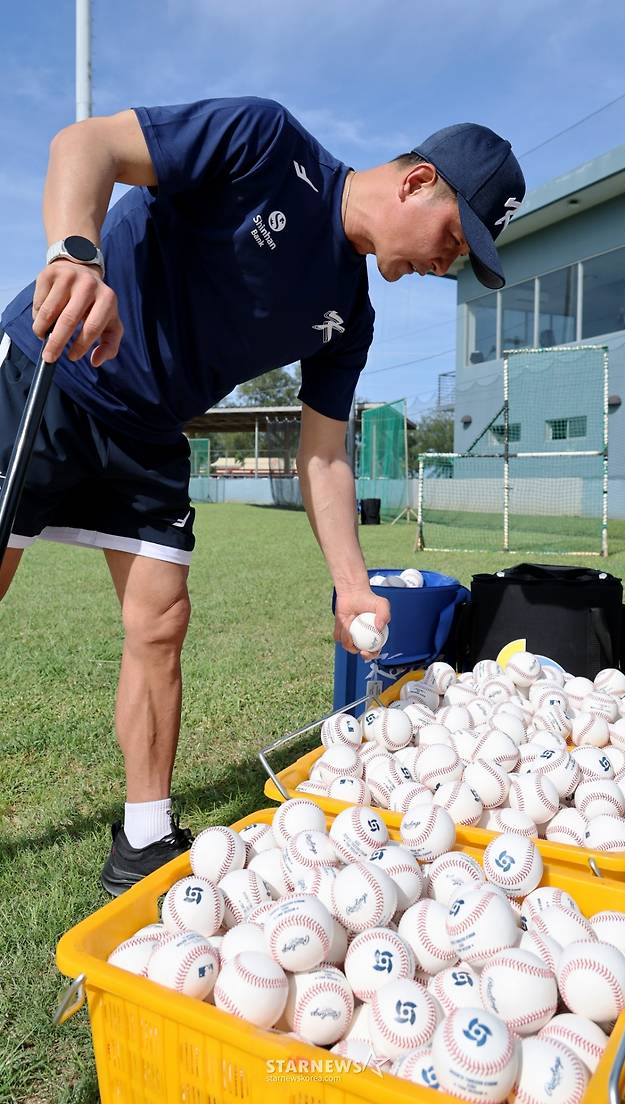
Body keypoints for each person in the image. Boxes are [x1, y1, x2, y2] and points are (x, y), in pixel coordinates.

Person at [0, 97, 525, 894]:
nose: (447, 263)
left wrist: (353, 584)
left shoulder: (350, 315)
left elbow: (323, 456)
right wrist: (76, 252)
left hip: (148, 427)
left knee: (161, 619)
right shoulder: (266, 144)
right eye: (455, 238)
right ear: (418, 183)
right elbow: (88, 142)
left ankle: (144, 836)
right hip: (57, 365)